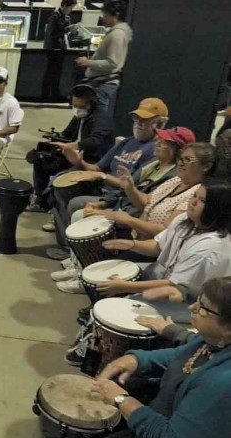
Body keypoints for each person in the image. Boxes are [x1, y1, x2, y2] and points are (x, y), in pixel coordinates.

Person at [81, 276, 231, 438]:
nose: (192, 308)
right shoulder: (213, 340)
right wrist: (136, 360)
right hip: (171, 412)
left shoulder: (222, 383)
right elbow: (183, 355)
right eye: (198, 301)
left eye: (203, 309)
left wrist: (122, 400)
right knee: (122, 386)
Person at [50, 128, 186, 287]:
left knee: (81, 215)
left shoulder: (172, 176)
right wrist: (102, 203)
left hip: (134, 217)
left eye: (164, 143)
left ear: (177, 150)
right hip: (122, 207)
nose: (158, 144)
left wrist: (105, 211)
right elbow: (124, 190)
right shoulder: (153, 165)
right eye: (160, 140)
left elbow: (143, 204)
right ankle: (78, 264)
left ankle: (84, 276)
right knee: (79, 211)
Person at [46, 98, 167, 260]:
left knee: (76, 202)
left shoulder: (155, 151)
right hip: (101, 188)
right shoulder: (126, 142)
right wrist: (78, 161)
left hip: (119, 197)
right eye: (137, 118)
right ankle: (68, 243)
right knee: (61, 183)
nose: (138, 123)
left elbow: (132, 187)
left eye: (145, 120)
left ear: (159, 124)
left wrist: (102, 177)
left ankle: (73, 249)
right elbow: (95, 168)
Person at [98, 180, 231, 322]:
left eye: (202, 200)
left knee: (124, 308)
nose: (193, 202)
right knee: (108, 274)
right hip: (164, 276)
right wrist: (130, 244)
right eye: (194, 196)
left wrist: (125, 287)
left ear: (216, 208)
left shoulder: (209, 248)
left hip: (191, 303)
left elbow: (173, 285)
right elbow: (158, 246)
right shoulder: (185, 219)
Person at [26, 83, 114, 209]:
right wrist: (56, 139)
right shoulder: (79, 116)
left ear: (92, 103)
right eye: (75, 105)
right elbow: (67, 134)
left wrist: (70, 146)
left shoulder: (101, 119)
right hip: (72, 154)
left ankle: (54, 206)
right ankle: (40, 201)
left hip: (90, 160)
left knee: (60, 178)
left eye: (81, 106)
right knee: (41, 160)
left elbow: (95, 142)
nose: (77, 109)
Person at [75, 0, 132, 117]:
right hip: (101, 83)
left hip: (103, 84)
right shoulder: (117, 33)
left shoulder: (117, 35)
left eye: (105, 15)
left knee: (97, 118)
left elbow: (112, 64)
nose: (103, 18)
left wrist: (88, 62)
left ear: (115, 15)